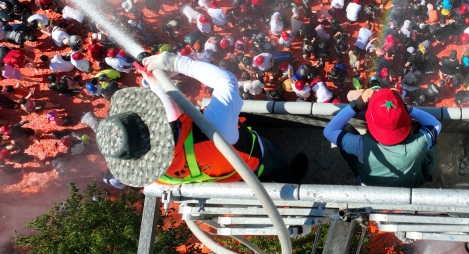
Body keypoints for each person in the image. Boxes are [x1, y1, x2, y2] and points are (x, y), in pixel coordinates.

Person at [89, 53, 307, 187]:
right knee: (276, 164)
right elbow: (225, 80)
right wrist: (174, 62)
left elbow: (171, 114)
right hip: (256, 159)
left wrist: (156, 83)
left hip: (225, 178)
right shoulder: (213, 127)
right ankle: (291, 179)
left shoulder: (152, 172)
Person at [323, 88, 441, 187]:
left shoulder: (360, 145)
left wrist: (356, 105)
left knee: (346, 130)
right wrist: (404, 108)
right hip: (409, 186)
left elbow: (329, 131)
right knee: (425, 130)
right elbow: (436, 124)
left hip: (371, 187)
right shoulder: (419, 144)